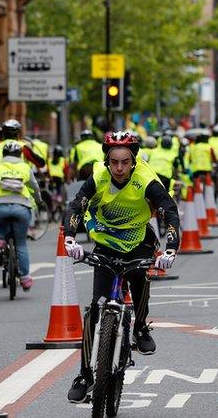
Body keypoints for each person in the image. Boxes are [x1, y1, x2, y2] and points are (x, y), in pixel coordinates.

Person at [62, 131, 181, 404]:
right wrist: (70, 237)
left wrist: (171, 249)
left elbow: (169, 210)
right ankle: (84, 375)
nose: (119, 168)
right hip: (106, 242)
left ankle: (139, 327)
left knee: (141, 279)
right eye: (114, 162)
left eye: (125, 162)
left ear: (133, 161)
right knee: (95, 309)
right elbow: (76, 206)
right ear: (107, 161)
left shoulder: (146, 180)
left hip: (138, 239)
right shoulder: (99, 177)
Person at [0, 141, 42, 292]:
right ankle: (25, 279)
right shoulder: (25, 167)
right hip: (21, 208)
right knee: (21, 243)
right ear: (20, 155)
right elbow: (35, 188)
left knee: (0, 218)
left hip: (0, 208)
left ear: (3, 155)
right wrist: (38, 200)